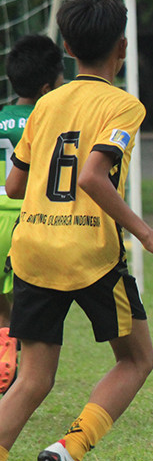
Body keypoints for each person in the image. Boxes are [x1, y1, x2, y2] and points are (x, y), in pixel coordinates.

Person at [0, 0, 153, 461]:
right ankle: (70, 450)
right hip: (89, 251)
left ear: (66, 47)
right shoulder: (125, 104)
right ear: (121, 47)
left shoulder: (45, 104)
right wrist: (146, 234)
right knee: (136, 360)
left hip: (31, 248)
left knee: (31, 379)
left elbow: (14, 184)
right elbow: (90, 175)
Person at [0, 34, 65, 397]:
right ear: (47, 86)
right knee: (31, 305)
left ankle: (5, 347)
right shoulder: (47, 121)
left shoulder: (0, 118)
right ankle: (15, 354)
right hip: (27, 222)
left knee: (1, 308)